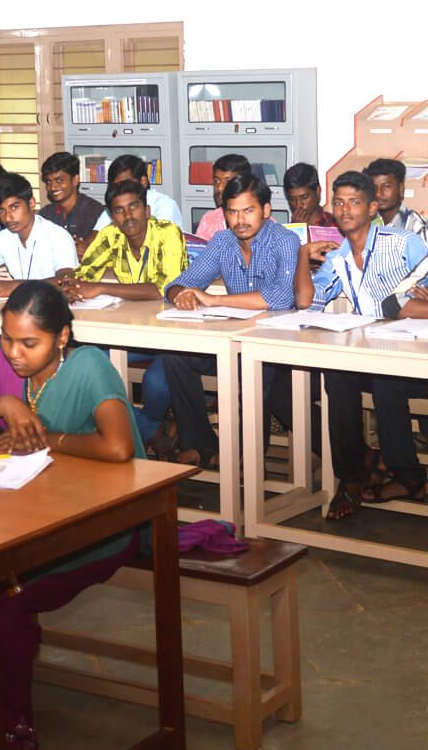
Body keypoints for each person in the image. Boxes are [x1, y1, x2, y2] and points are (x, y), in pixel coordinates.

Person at [0, 281, 144, 750]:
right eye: (7, 338)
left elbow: (117, 447)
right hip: (31, 515)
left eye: (29, 342)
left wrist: (50, 440)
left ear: (62, 337)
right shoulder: (6, 367)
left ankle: (14, 728)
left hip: (103, 525)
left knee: (8, 593)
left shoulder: (89, 367)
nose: (14, 352)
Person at [295, 171, 428, 518]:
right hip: (374, 356)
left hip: (416, 358)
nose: (345, 209)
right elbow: (306, 303)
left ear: (371, 208)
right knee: (337, 375)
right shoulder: (337, 257)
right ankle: (353, 476)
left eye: (355, 202)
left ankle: (408, 476)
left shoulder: (402, 243)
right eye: (339, 202)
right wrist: (302, 255)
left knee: (386, 382)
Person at [163, 174, 299, 468]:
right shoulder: (223, 242)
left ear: (266, 210)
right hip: (230, 345)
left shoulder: (285, 240)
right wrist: (180, 295)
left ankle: (249, 454)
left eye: (248, 210)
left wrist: (215, 299)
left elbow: (281, 297)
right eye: (232, 212)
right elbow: (181, 282)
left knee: (258, 369)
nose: (240, 220)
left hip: (276, 348)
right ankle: (201, 443)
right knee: (176, 355)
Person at [61, 179, 188, 446]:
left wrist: (100, 288)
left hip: (172, 335)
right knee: (87, 369)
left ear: (147, 209)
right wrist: (75, 287)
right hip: (129, 333)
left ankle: (145, 432)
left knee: (156, 383)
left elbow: (165, 288)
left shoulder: (168, 232)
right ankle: (153, 433)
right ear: (112, 216)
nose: (128, 216)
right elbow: (84, 275)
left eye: (134, 207)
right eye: (119, 210)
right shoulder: (110, 236)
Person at [93, 154, 183, 230]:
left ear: (143, 182)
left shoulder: (165, 205)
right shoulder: (115, 206)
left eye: (125, 184)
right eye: (114, 186)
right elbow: (96, 236)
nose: (120, 190)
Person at [38, 151, 103, 255]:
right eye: (48, 182)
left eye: (59, 180)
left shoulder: (94, 211)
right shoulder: (46, 214)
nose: (53, 187)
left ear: (75, 180)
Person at [365, 158, 428, 245]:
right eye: (374, 187)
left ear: (401, 188)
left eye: (386, 186)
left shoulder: (417, 229)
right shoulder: (367, 220)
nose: (378, 194)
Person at [194, 154, 251, 240]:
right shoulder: (209, 219)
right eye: (216, 181)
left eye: (227, 181)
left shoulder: (261, 221)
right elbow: (199, 251)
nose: (220, 188)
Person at [283, 162, 336, 228]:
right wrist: (296, 228)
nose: (298, 205)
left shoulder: (337, 227)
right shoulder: (284, 233)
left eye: (304, 197)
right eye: (292, 200)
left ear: (317, 191)